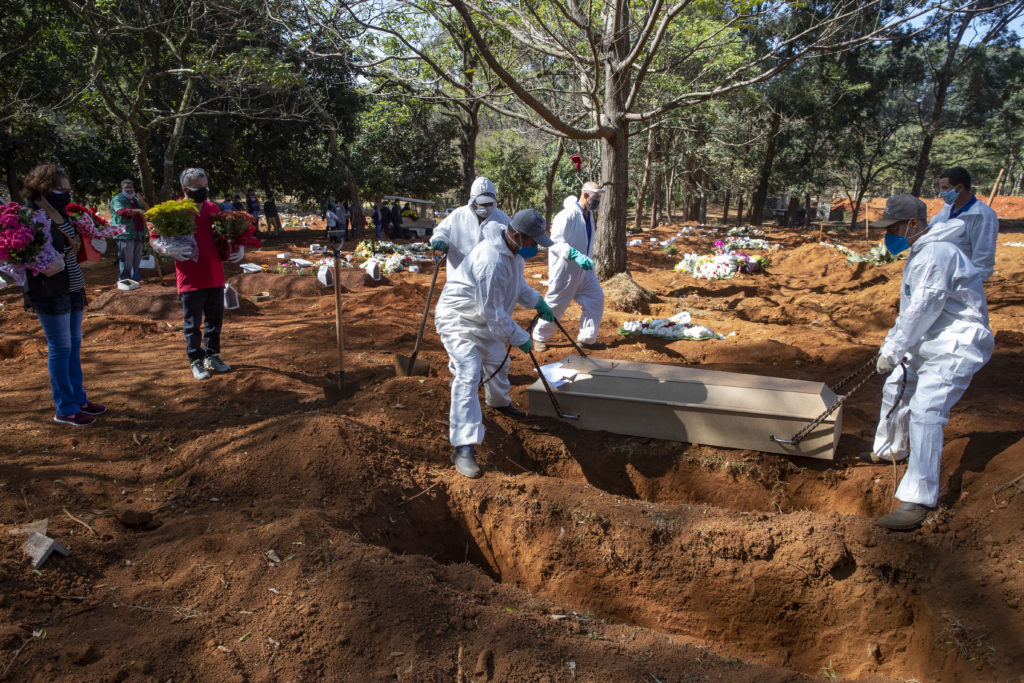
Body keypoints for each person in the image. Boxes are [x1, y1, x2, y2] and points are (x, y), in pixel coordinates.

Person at [865, 194, 993, 531]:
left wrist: (892, 351)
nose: (888, 235)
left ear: (915, 224)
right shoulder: (924, 250)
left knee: (926, 410)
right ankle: (889, 450)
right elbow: (914, 312)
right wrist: (894, 349)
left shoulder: (937, 254)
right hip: (930, 338)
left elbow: (923, 308)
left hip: (956, 343)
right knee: (897, 386)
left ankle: (918, 498)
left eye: (893, 228)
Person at [435, 209, 556, 478]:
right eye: (532, 242)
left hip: (481, 319)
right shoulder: (491, 261)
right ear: (515, 235)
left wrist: (537, 301)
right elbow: (495, 316)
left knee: (497, 362)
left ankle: (499, 403)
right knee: (469, 371)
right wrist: (522, 338)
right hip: (459, 320)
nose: (535, 247)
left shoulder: (511, 253)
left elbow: (517, 287)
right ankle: (463, 446)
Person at [21, 164, 108, 426]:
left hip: (73, 287)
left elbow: (73, 249)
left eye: (68, 190)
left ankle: (78, 399)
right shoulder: (29, 216)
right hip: (49, 292)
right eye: (61, 189)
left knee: (74, 347)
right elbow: (22, 257)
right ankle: (65, 408)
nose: (67, 194)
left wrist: (94, 244)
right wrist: (40, 264)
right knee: (60, 349)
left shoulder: (61, 213)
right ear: (43, 187)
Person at [151, 168, 244, 380]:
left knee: (215, 321)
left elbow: (226, 234)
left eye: (205, 186)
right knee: (192, 324)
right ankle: (195, 360)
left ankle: (213, 355)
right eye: (199, 188)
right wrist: (166, 249)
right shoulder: (174, 211)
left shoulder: (213, 209)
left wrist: (238, 245)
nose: (204, 191)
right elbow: (154, 237)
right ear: (185, 189)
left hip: (214, 276)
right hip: (190, 278)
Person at [532, 181, 605, 351]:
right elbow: (554, 242)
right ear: (585, 195)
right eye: (596, 197)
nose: (598, 201)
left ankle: (587, 338)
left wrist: (585, 258)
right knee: (556, 304)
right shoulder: (566, 215)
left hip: (586, 270)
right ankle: (539, 337)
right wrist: (574, 254)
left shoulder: (589, 215)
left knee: (595, 298)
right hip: (566, 269)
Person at [927, 166, 999, 282]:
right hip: (941, 276)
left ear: (959, 188)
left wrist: (971, 286)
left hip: (963, 281)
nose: (942, 193)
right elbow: (930, 229)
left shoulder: (982, 216)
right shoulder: (947, 209)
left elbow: (983, 258)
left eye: (945, 188)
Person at [430, 177, 511, 274]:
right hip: (458, 274)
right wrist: (440, 240)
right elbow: (442, 231)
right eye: (482, 204)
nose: (486, 208)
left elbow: (513, 240)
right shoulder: (459, 215)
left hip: (488, 276)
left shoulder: (502, 219)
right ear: (473, 200)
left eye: (489, 204)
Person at [110, 179, 150, 285]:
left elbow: (147, 211)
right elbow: (121, 211)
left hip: (138, 231)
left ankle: (135, 277)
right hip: (125, 233)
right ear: (121, 189)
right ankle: (124, 279)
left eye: (131, 188)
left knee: (137, 257)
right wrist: (137, 211)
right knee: (126, 257)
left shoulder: (136, 200)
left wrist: (142, 202)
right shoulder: (117, 199)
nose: (129, 190)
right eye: (126, 188)